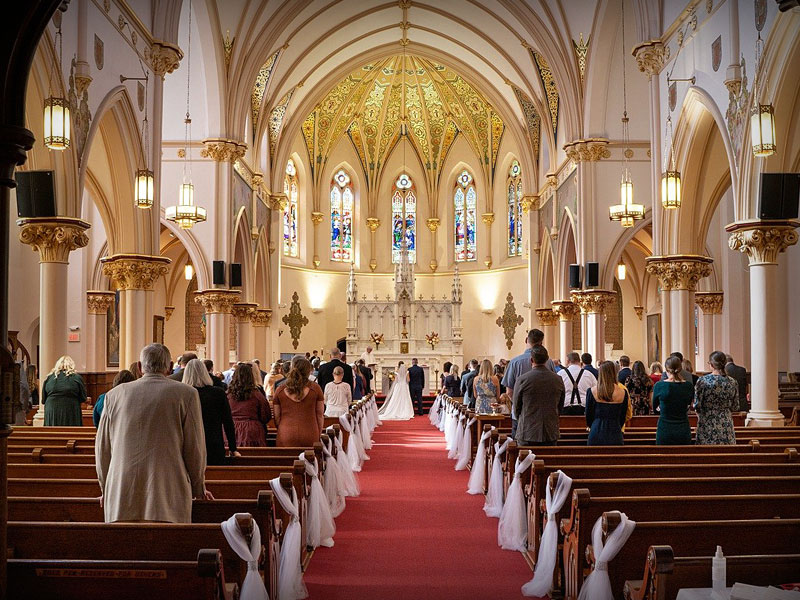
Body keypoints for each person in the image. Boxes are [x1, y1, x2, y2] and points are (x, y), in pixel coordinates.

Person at [96, 344, 211, 523]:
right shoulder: (187, 394)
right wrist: (198, 487)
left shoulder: (114, 396)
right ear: (169, 366)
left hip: (122, 491)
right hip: (168, 491)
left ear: (140, 368)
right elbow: (195, 447)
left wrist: (105, 488)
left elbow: (103, 449)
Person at [184, 359, 239, 465]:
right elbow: (228, 422)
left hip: (189, 445)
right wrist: (233, 448)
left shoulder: (183, 394)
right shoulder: (218, 393)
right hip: (214, 444)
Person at [512, 346, 564, 445]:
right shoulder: (557, 379)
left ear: (531, 360)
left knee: (525, 460)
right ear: (547, 360)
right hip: (550, 430)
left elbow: (516, 407)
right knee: (549, 460)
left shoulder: (523, 379)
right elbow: (560, 405)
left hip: (527, 430)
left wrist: (523, 419)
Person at [273, 356, 325, 446]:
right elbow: (320, 415)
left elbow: (277, 418)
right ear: (308, 371)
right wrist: (318, 433)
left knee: (285, 460)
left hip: (286, 433)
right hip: (310, 432)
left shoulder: (280, 390)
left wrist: (283, 429)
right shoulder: (315, 388)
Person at [695, 351, 739, 445]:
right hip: (725, 423)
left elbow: (697, 404)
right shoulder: (732, 382)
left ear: (711, 364)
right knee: (726, 454)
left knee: (706, 454)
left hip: (707, 422)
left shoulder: (703, 381)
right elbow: (735, 406)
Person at [227, 363, 271, 447]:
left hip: (231, 430)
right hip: (251, 431)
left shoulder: (228, 395)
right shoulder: (257, 395)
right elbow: (265, 415)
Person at [653, 355, 694, 445]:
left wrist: (661, 408)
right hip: (683, 428)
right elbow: (688, 404)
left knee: (663, 457)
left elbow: (654, 408)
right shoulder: (688, 386)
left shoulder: (659, 386)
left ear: (666, 369)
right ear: (680, 368)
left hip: (665, 428)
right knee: (683, 457)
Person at [586, 361, 629, 446]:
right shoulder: (623, 392)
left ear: (600, 373)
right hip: (615, 431)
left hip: (596, 430)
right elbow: (623, 416)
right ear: (614, 373)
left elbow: (588, 415)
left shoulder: (592, 391)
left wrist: (593, 425)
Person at [42, 355, 87, 426]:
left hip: (52, 408)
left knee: (53, 432)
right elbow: (83, 397)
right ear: (72, 365)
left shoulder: (49, 378)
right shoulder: (76, 378)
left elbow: (44, 399)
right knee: (70, 431)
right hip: (71, 408)